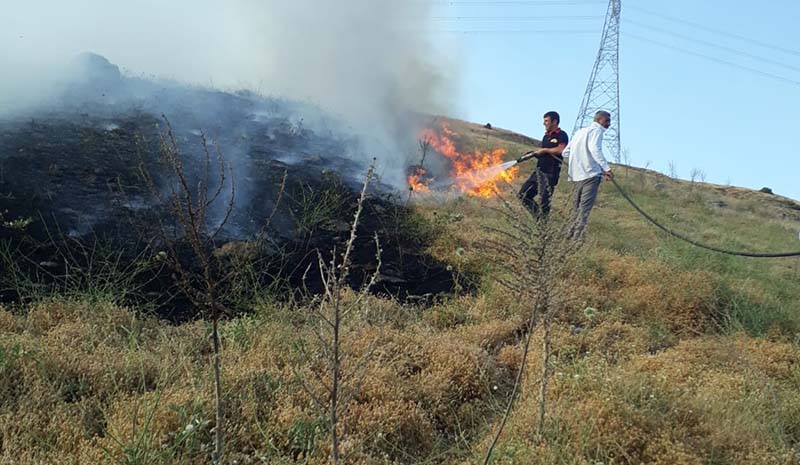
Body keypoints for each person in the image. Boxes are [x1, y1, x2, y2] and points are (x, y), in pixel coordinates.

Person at [563, 110, 614, 240]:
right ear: (599, 120)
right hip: (591, 175)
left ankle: (568, 235)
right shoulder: (597, 131)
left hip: (576, 176)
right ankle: (576, 239)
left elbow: (565, 152)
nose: (609, 124)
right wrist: (606, 168)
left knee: (576, 207)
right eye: (607, 121)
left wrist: (579, 158)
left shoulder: (580, 132)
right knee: (584, 208)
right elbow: (594, 149)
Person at [518, 111, 569, 218]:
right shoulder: (546, 137)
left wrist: (545, 150)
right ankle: (538, 218)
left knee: (544, 202)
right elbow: (543, 153)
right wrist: (534, 154)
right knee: (523, 195)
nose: (544, 123)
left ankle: (543, 226)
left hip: (550, 174)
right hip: (538, 172)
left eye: (546, 121)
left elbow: (561, 150)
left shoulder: (561, 135)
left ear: (554, 122)